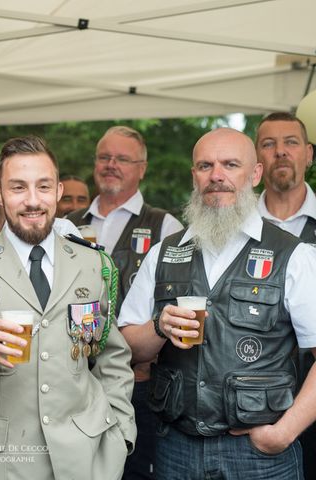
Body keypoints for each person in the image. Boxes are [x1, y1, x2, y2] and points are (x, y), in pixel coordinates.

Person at [0, 136, 136, 479]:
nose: (33, 201)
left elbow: (110, 357)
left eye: (43, 186)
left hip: (87, 459)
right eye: (18, 187)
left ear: (58, 191)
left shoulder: (94, 265)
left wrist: (121, 434)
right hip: (0, 463)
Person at [119, 127, 316, 479]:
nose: (217, 176)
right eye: (205, 165)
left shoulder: (294, 255)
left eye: (230, 164)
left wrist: (283, 434)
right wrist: (159, 326)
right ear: (194, 175)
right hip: (175, 447)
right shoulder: (163, 253)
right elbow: (129, 348)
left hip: (257, 456)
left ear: (255, 174)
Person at [67, 125, 183, 479]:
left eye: (122, 158)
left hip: (138, 381)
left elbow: (176, 302)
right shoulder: (68, 224)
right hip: (75, 378)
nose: (111, 164)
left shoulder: (165, 225)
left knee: (134, 470)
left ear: (142, 168)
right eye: (104, 157)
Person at [255, 111, 316, 478]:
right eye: (268, 144)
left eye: (290, 142)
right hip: (254, 409)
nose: (280, 152)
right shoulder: (233, 229)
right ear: (256, 161)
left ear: (309, 154)